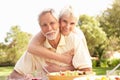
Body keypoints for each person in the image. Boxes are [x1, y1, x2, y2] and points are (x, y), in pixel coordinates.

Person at [8, 8, 92, 80]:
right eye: (44, 25)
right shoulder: (36, 49)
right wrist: (24, 78)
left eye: (52, 23)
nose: (49, 28)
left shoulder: (74, 40)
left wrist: (61, 70)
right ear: (40, 28)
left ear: (58, 23)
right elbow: (13, 75)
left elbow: (87, 71)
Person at [27, 6, 91, 71]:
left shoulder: (77, 34)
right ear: (58, 20)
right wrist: (63, 58)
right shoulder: (49, 31)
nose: (67, 27)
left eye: (72, 23)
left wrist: (61, 69)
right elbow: (31, 47)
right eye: (64, 21)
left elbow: (87, 65)